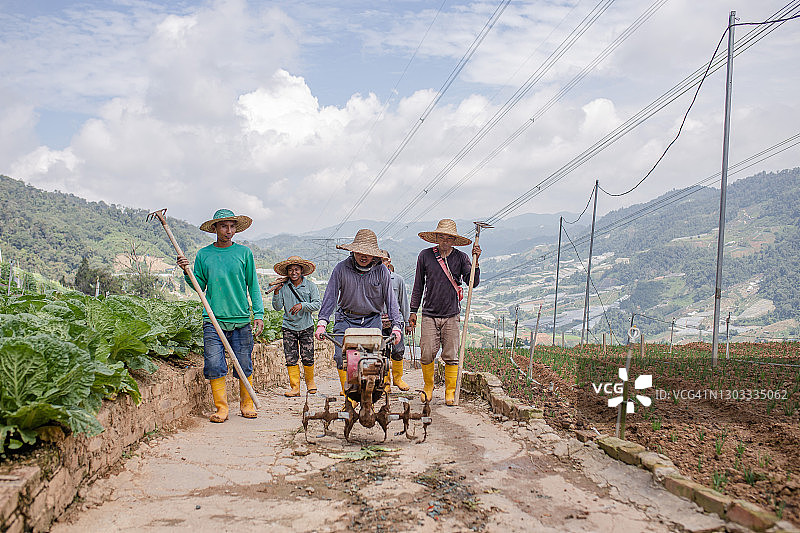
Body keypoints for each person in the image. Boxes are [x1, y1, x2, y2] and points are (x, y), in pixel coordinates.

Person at [176, 209, 264, 422]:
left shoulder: (244, 253)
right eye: (224, 226)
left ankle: (246, 404)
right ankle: (221, 408)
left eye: (232, 226)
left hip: (240, 319)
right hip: (213, 320)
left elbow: (253, 285)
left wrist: (258, 314)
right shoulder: (204, 255)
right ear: (215, 228)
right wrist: (187, 272)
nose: (229, 231)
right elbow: (199, 286)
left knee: (244, 363)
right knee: (214, 364)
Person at [314, 229, 402, 398]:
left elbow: (391, 300)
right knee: (341, 357)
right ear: (353, 251)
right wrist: (322, 323)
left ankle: (370, 394)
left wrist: (396, 326)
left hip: (371, 320)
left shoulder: (382, 271)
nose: (363, 256)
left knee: (374, 359)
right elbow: (331, 295)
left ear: (374, 255)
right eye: (360, 252)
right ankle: (349, 395)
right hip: (346, 319)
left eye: (367, 254)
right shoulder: (341, 269)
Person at [409, 219, 481, 406]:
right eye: (441, 237)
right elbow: (418, 285)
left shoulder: (461, 258)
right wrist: (413, 311)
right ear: (436, 237)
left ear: (454, 240)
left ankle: (450, 390)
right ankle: (428, 386)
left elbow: (472, 282)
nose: (445, 241)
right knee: (426, 353)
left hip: (451, 314)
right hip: (429, 314)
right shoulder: (425, 256)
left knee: (451, 355)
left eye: (449, 238)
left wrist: (476, 262)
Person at [271, 256, 321, 397]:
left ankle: (310, 383)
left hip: (306, 326)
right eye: (291, 270)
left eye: (296, 269)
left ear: (301, 271)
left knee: (308, 357)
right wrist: (276, 292)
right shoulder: (283, 287)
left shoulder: (310, 286)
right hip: (288, 326)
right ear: (287, 272)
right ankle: (295, 388)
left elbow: (317, 304)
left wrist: (302, 305)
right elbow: (277, 307)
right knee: (290, 358)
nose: (294, 272)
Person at [381, 252, 411, 391]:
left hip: (395, 322)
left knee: (398, 350)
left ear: (389, 261)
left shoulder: (398, 280)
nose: (382, 262)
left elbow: (403, 302)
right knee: (382, 353)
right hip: (378, 322)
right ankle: (385, 382)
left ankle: (397, 378)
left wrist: (407, 322)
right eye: (379, 260)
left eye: (384, 260)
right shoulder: (373, 279)